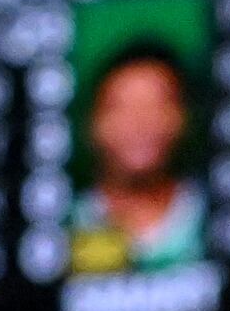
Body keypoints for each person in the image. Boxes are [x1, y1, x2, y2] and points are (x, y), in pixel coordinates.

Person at [69, 43, 206, 274]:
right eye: (122, 108)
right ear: (92, 125)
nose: (139, 123)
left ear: (183, 117)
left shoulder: (213, 216)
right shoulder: (63, 226)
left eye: (156, 105)